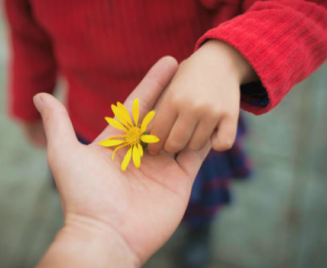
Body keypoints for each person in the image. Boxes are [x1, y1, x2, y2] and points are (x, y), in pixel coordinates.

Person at [3, 0, 327, 266]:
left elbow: (313, 2)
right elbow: (28, 39)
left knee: (195, 196)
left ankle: (199, 228)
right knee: (88, 186)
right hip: (91, 125)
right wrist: (28, 107)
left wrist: (228, 57)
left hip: (187, 135)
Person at [33, 58, 212, 267]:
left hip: (188, 107)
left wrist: (222, 57)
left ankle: (200, 227)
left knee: (201, 192)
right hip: (87, 117)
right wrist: (94, 229)